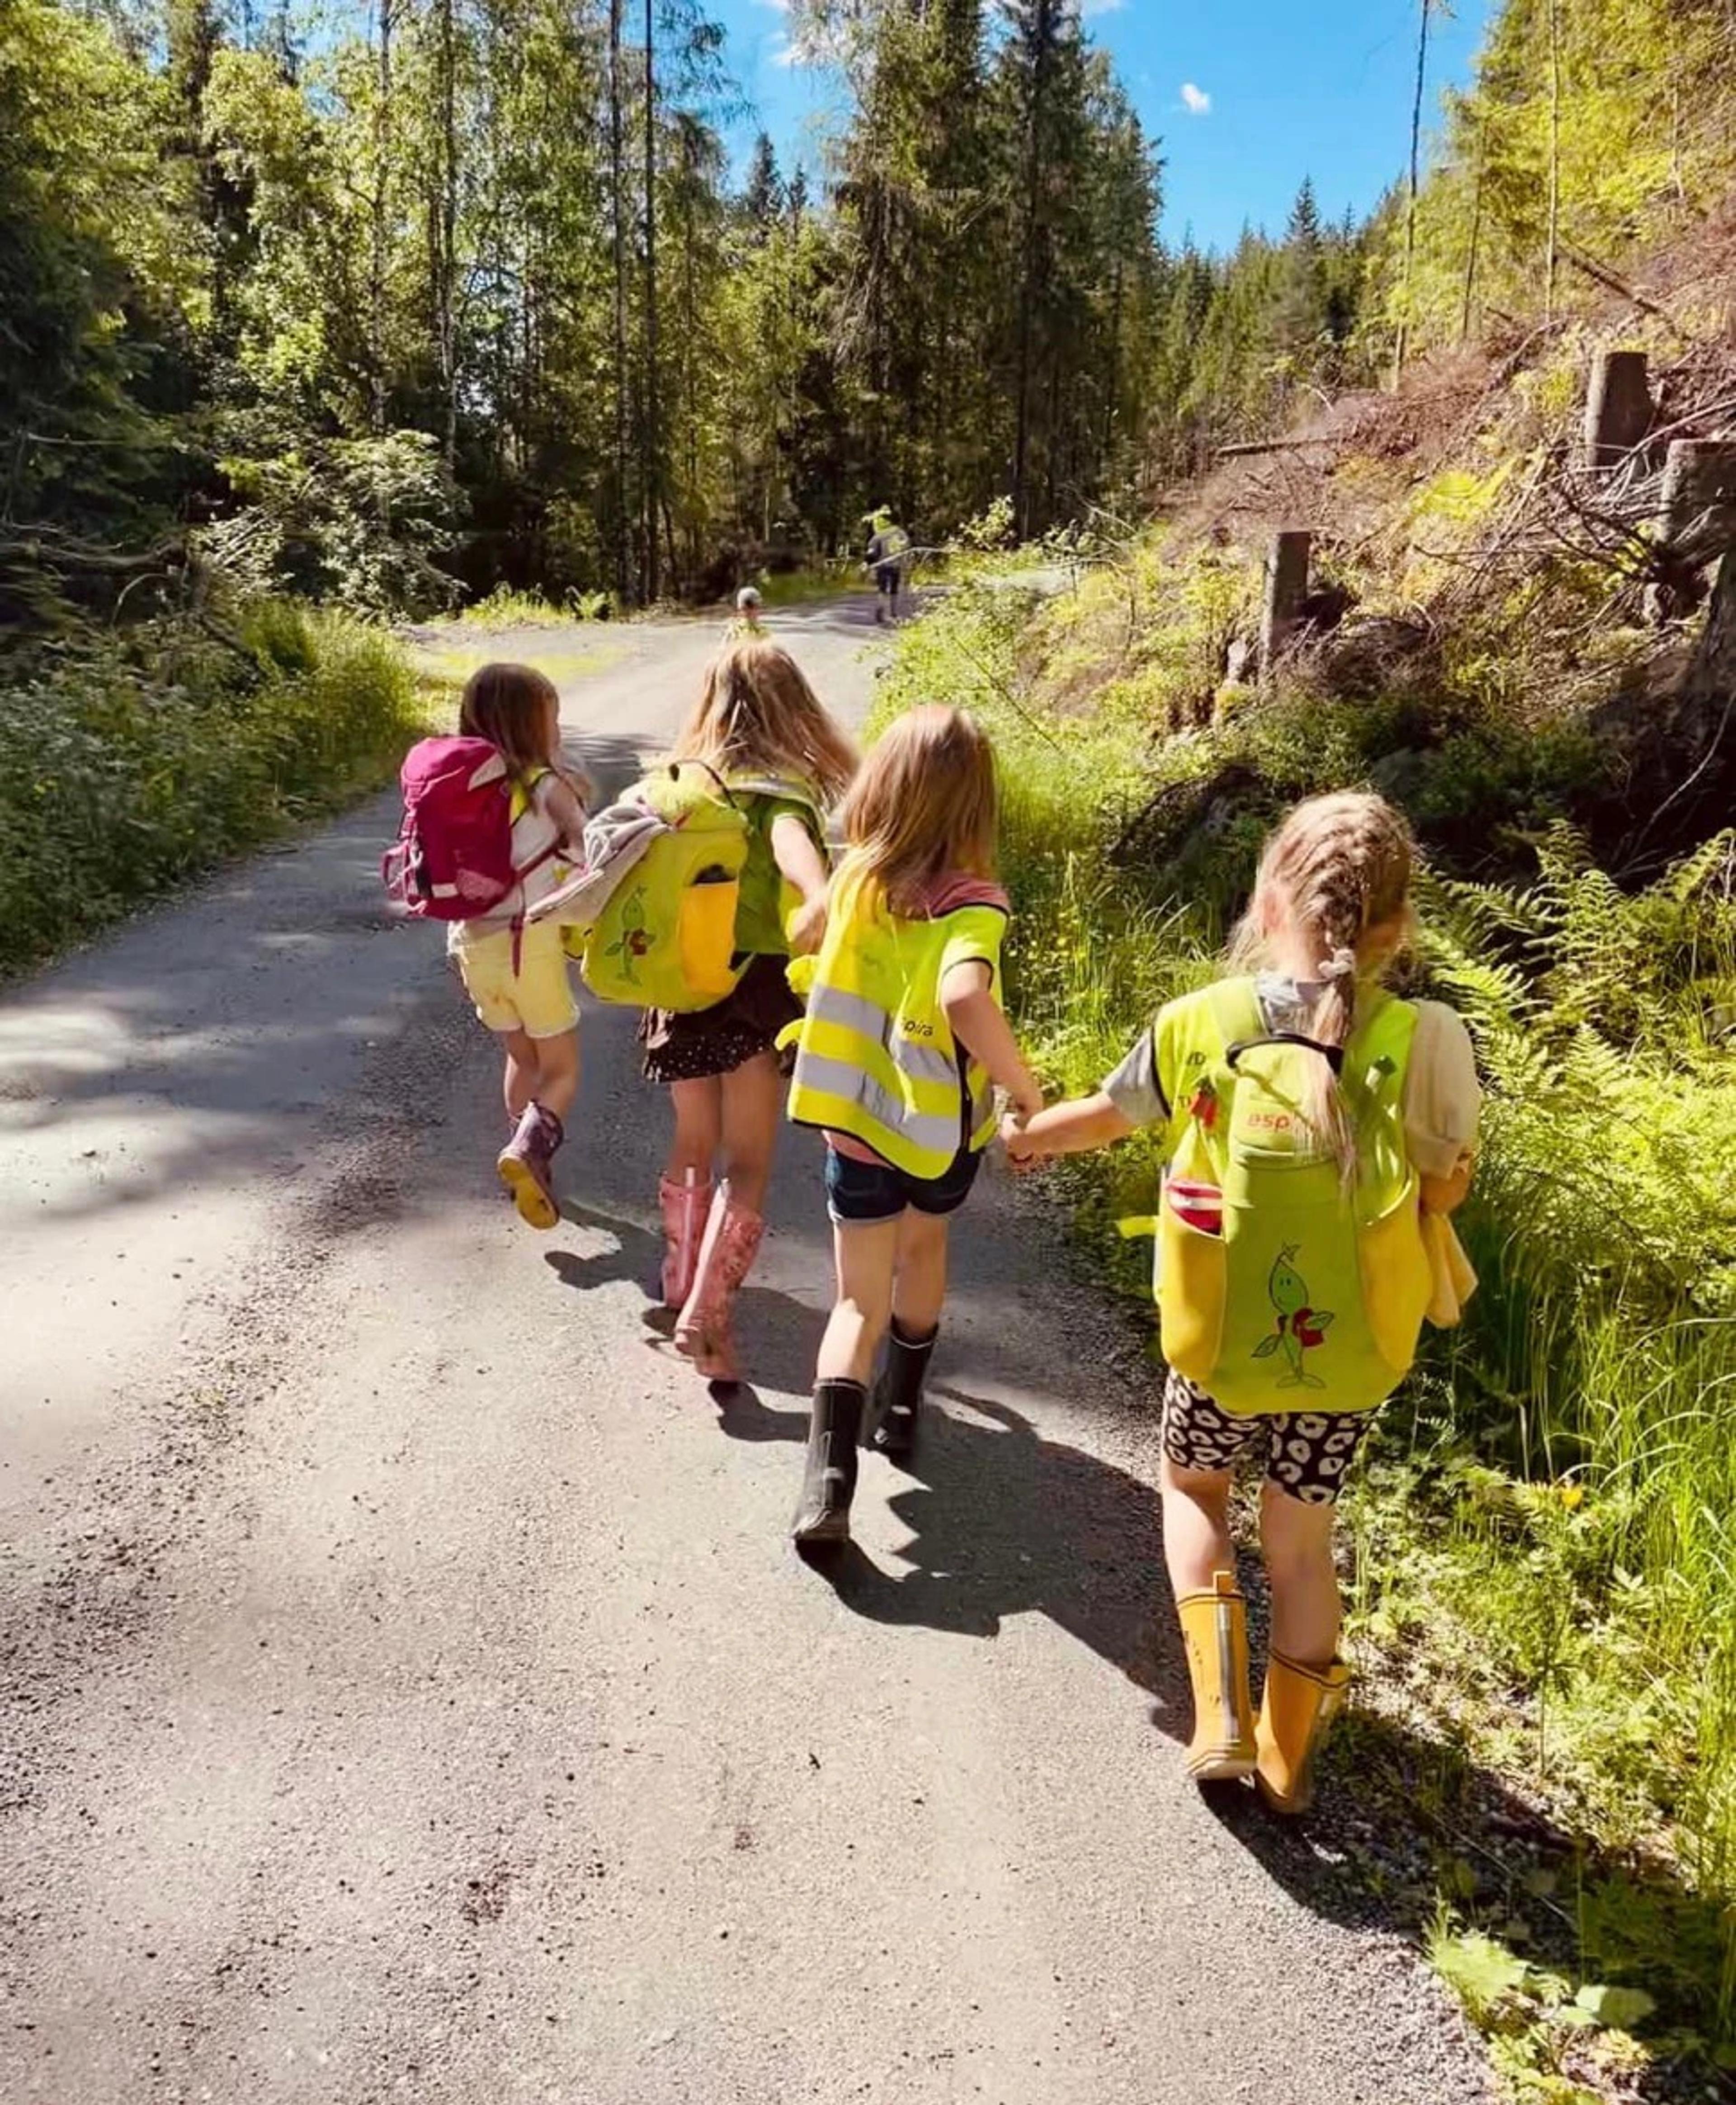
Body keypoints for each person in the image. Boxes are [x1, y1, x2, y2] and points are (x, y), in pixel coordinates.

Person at [1005, 791, 1479, 1812]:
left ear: (1266, 903)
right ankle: (1286, 1758)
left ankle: (1216, 1717)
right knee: (1302, 1540)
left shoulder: (1198, 1024)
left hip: (1218, 1340)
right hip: (1349, 1355)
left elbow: (1106, 1118)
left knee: (1194, 1491)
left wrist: (1027, 1136)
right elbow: (1443, 1188)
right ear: (1396, 929)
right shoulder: (1426, 1037)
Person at [783, 706, 1044, 1545]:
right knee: (924, 1252)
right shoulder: (976, 905)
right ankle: (898, 1412)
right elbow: (967, 994)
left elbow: (804, 930)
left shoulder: (858, 876)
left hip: (856, 1121)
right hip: (937, 1130)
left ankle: (828, 1481)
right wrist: (1023, 1088)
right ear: (977, 806)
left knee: (855, 1299)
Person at [646, 636, 857, 1383]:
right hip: (756, 992)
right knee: (752, 1162)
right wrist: (820, 911)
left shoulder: (679, 791)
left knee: (692, 1140)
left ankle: (679, 1279)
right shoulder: (780, 796)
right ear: (792, 710)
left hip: (678, 987)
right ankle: (708, 1310)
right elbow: (806, 872)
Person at [447, 662, 593, 1230]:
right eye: (552, 718)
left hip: (470, 945)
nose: (558, 728)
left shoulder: (461, 785)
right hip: (526, 939)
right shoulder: (543, 783)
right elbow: (590, 848)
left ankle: (527, 1158)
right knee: (562, 1069)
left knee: (521, 1056)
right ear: (529, 724)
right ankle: (529, 1150)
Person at [863, 509, 911, 624]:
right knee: (894, 589)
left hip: (882, 565)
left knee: (882, 589)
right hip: (896, 565)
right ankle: (893, 613)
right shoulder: (901, 533)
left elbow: (872, 552)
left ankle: (881, 607)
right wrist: (906, 563)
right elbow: (907, 547)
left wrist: (869, 563)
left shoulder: (880, 535)